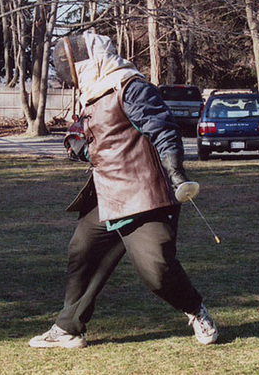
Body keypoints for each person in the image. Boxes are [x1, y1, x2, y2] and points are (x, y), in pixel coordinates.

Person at [29, 32, 218, 349]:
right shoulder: (93, 93)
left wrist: (176, 173)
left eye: (73, 61)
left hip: (144, 194)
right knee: (83, 251)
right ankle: (69, 329)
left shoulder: (130, 86)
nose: (68, 68)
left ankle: (195, 309)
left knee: (156, 270)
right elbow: (95, 135)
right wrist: (79, 145)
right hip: (106, 192)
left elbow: (163, 129)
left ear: (93, 59)